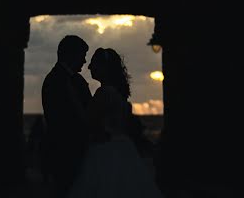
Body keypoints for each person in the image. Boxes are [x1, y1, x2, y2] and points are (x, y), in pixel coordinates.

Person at [67, 48, 164, 198]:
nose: (89, 67)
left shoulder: (104, 93)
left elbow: (88, 120)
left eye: (94, 64)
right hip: (123, 146)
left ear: (104, 68)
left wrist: (74, 100)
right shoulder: (118, 94)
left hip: (104, 149)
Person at [42, 35, 92, 197]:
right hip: (66, 151)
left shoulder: (64, 79)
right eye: (82, 56)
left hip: (68, 149)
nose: (84, 61)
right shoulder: (59, 80)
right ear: (72, 55)